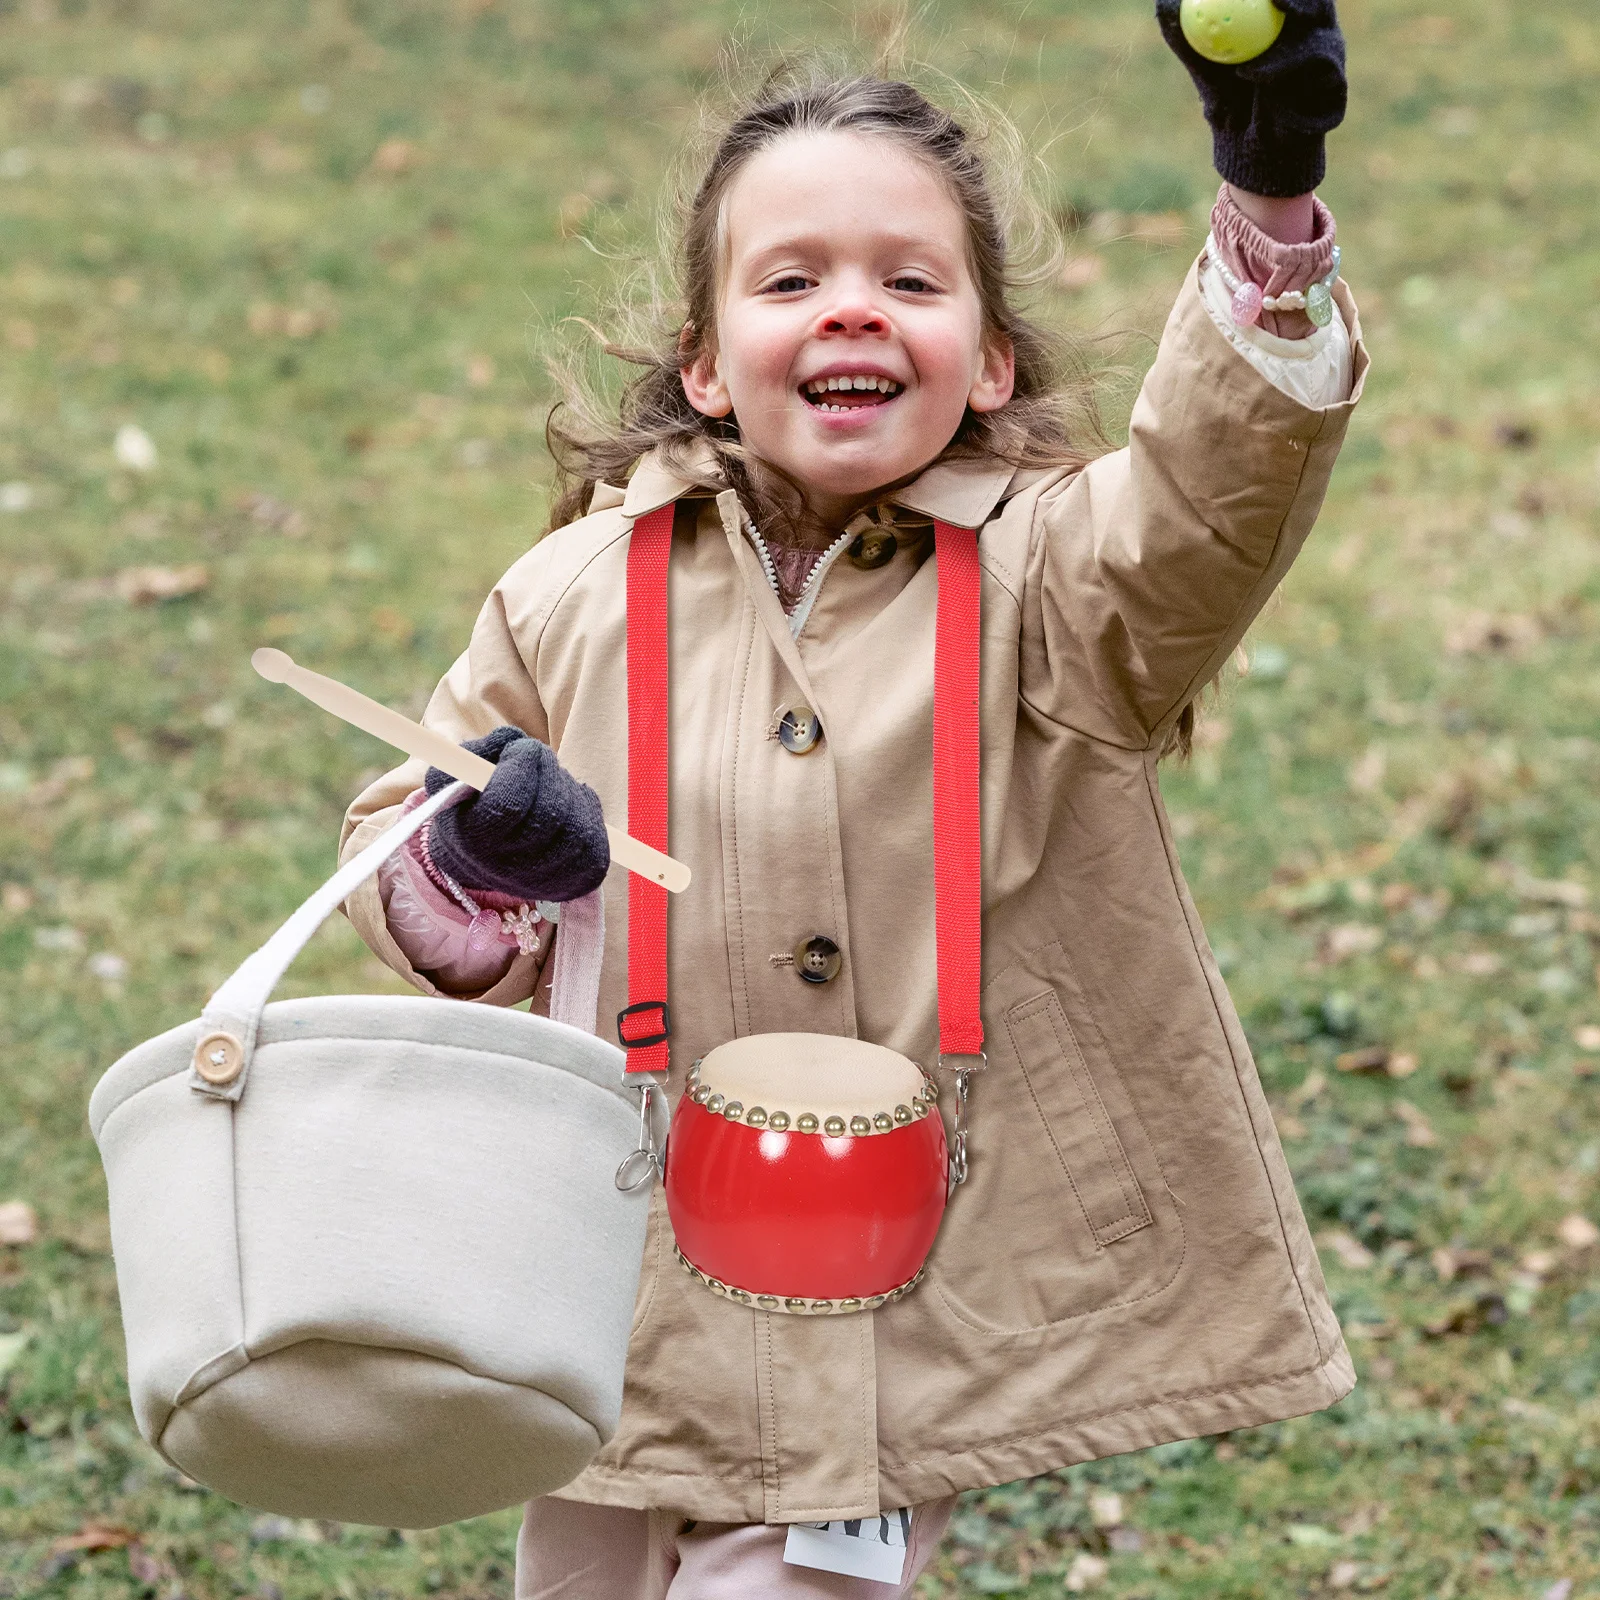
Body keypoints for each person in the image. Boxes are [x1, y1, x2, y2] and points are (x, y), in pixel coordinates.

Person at [339, 5, 1363, 1594]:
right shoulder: (572, 597)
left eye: (911, 280)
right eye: (792, 279)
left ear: (991, 356)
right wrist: (474, 855)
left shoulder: (1056, 579)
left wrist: (1270, 190)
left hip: (911, 1253)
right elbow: (401, 837)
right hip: (625, 1259)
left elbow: (1206, 503)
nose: (853, 310)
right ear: (703, 360)